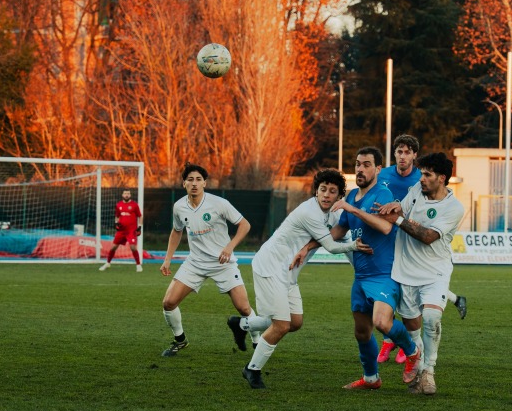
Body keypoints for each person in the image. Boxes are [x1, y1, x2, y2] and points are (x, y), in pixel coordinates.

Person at [294, 147, 421, 390]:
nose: (360, 169)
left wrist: (352, 209)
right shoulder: (352, 195)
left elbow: (385, 227)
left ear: (378, 169)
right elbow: (337, 232)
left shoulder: (383, 194)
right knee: (362, 332)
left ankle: (413, 351)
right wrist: (307, 247)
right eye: (357, 164)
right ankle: (371, 379)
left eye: (366, 165)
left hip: (384, 275)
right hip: (361, 276)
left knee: (382, 322)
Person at [236, 169, 369, 389]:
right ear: (316, 191)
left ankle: (242, 324)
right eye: (322, 189)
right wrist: (355, 246)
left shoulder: (334, 213)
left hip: (288, 272)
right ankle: (252, 369)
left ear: (339, 196)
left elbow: (343, 235)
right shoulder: (309, 212)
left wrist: (361, 268)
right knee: (281, 325)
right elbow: (331, 246)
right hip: (270, 266)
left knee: (294, 323)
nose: (326, 194)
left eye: (332, 191)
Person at [375, 135, 467, 365]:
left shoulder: (454, 207)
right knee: (411, 324)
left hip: (435, 269)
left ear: (442, 178)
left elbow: (427, 236)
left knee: (431, 317)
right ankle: (416, 359)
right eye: (422, 174)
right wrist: (394, 206)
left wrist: (397, 220)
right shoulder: (415, 187)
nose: (422, 179)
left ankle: (429, 370)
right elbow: (403, 207)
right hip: (406, 266)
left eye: (427, 175)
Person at [158, 163, 259, 358]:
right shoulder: (179, 206)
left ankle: (257, 340)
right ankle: (180, 340)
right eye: (190, 180)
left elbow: (245, 225)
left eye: (198, 180)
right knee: (168, 303)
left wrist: (229, 247)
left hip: (223, 263)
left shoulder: (219, 203)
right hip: (195, 263)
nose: (194, 183)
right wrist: (167, 259)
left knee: (244, 307)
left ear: (205, 183)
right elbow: (176, 231)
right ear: (184, 183)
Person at [99, 189, 143, 272]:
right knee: (113, 247)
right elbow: (117, 216)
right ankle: (108, 263)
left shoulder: (134, 205)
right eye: (125, 193)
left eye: (128, 193)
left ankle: (138, 265)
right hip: (121, 231)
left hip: (131, 231)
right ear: (122, 195)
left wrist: (140, 226)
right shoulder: (119, 205)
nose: (126, 195)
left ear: (130, 195)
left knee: (133, 247)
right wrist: (116, 223)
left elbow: (140, 216)